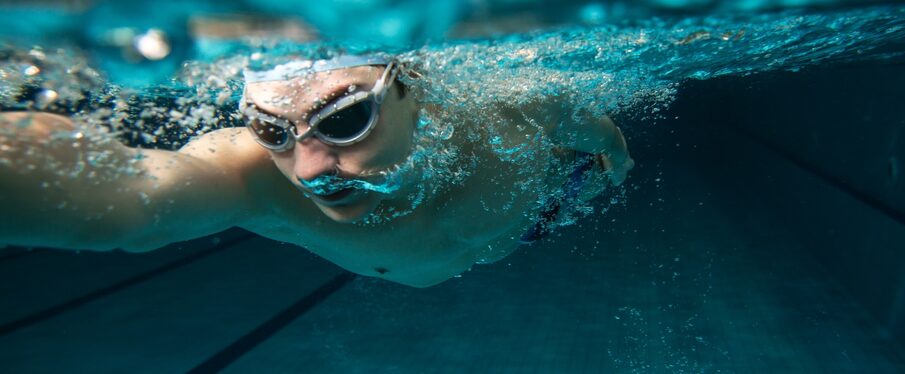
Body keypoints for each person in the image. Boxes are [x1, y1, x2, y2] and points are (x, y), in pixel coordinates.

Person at [0, 54, 633, 287]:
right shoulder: (252, 177)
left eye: (344, 118)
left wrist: (619, 163)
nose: (306, 168)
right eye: (272, 130)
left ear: (412, 85)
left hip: (548, 205)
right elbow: (132, 201)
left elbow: (595, 132)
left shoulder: (518, 108)